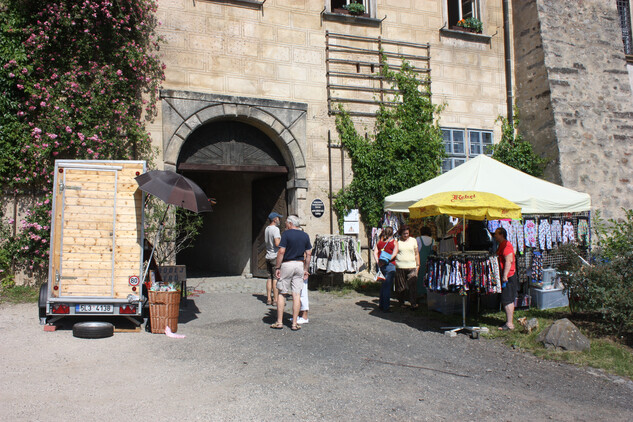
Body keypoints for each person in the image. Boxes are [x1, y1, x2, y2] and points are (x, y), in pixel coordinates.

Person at [271, 215, 312, 331]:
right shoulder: (305, 235)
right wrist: (306, 269)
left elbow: (281, 251)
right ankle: (294, 323)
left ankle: (279, 322)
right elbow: (308, 254)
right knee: (296, 294)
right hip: (299, 264)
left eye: (286, 223)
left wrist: (278, 267)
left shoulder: (286, 234)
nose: (285, 225)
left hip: (287, 264)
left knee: (282, 293)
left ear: (290, 223)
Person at [494, 227, 517, 330]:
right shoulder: (502, 245)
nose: (495, 236)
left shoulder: (507, 245)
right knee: (506, 299)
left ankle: (509, 324)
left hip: (509, 276)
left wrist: (505, 275)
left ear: (501, 234)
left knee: (507, 299)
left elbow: (509, 261)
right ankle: (508, 321)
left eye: (496, 234)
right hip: (508, 276)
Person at [373, 226, 398, 312]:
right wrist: (386, 261)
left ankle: (381, 304)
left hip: (380, 266)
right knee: (387, 286)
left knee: (383, 286)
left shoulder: (379, 242)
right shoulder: (394, 242)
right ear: (392, 233)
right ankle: (386, 307)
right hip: (390, 265)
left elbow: (375, 252)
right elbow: (394, 254)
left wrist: (378, 262)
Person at [395, 225, 420, 309]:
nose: (405, 235)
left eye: (407, 233)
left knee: (412, 285)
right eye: (404, 233)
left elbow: (416, 253)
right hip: (400, 267)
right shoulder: (397, 241)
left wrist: (418, 265)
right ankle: (401, 302)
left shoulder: (413, 240)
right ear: (400, 233)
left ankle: (413, 303)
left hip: (412, 266)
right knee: (401, 287)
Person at [264, 212, 282, 306]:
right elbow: (277, 243)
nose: (279, 220)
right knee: (275, 278)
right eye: (278, 218)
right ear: (275, 219)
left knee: (269, 278)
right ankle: (275, 299)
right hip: (275, 256)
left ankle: (268, 298)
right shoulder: (275, 229)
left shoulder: (267, 229)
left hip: (268, 255)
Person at [415, 226, 435, 301]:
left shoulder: (418, 239)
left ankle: (419, 293)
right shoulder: (432, 240)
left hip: (420, 260)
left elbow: (416, 250)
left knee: (420, 277)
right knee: (428, 277)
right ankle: (427, 293)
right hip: (429, 261)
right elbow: (434, 250)